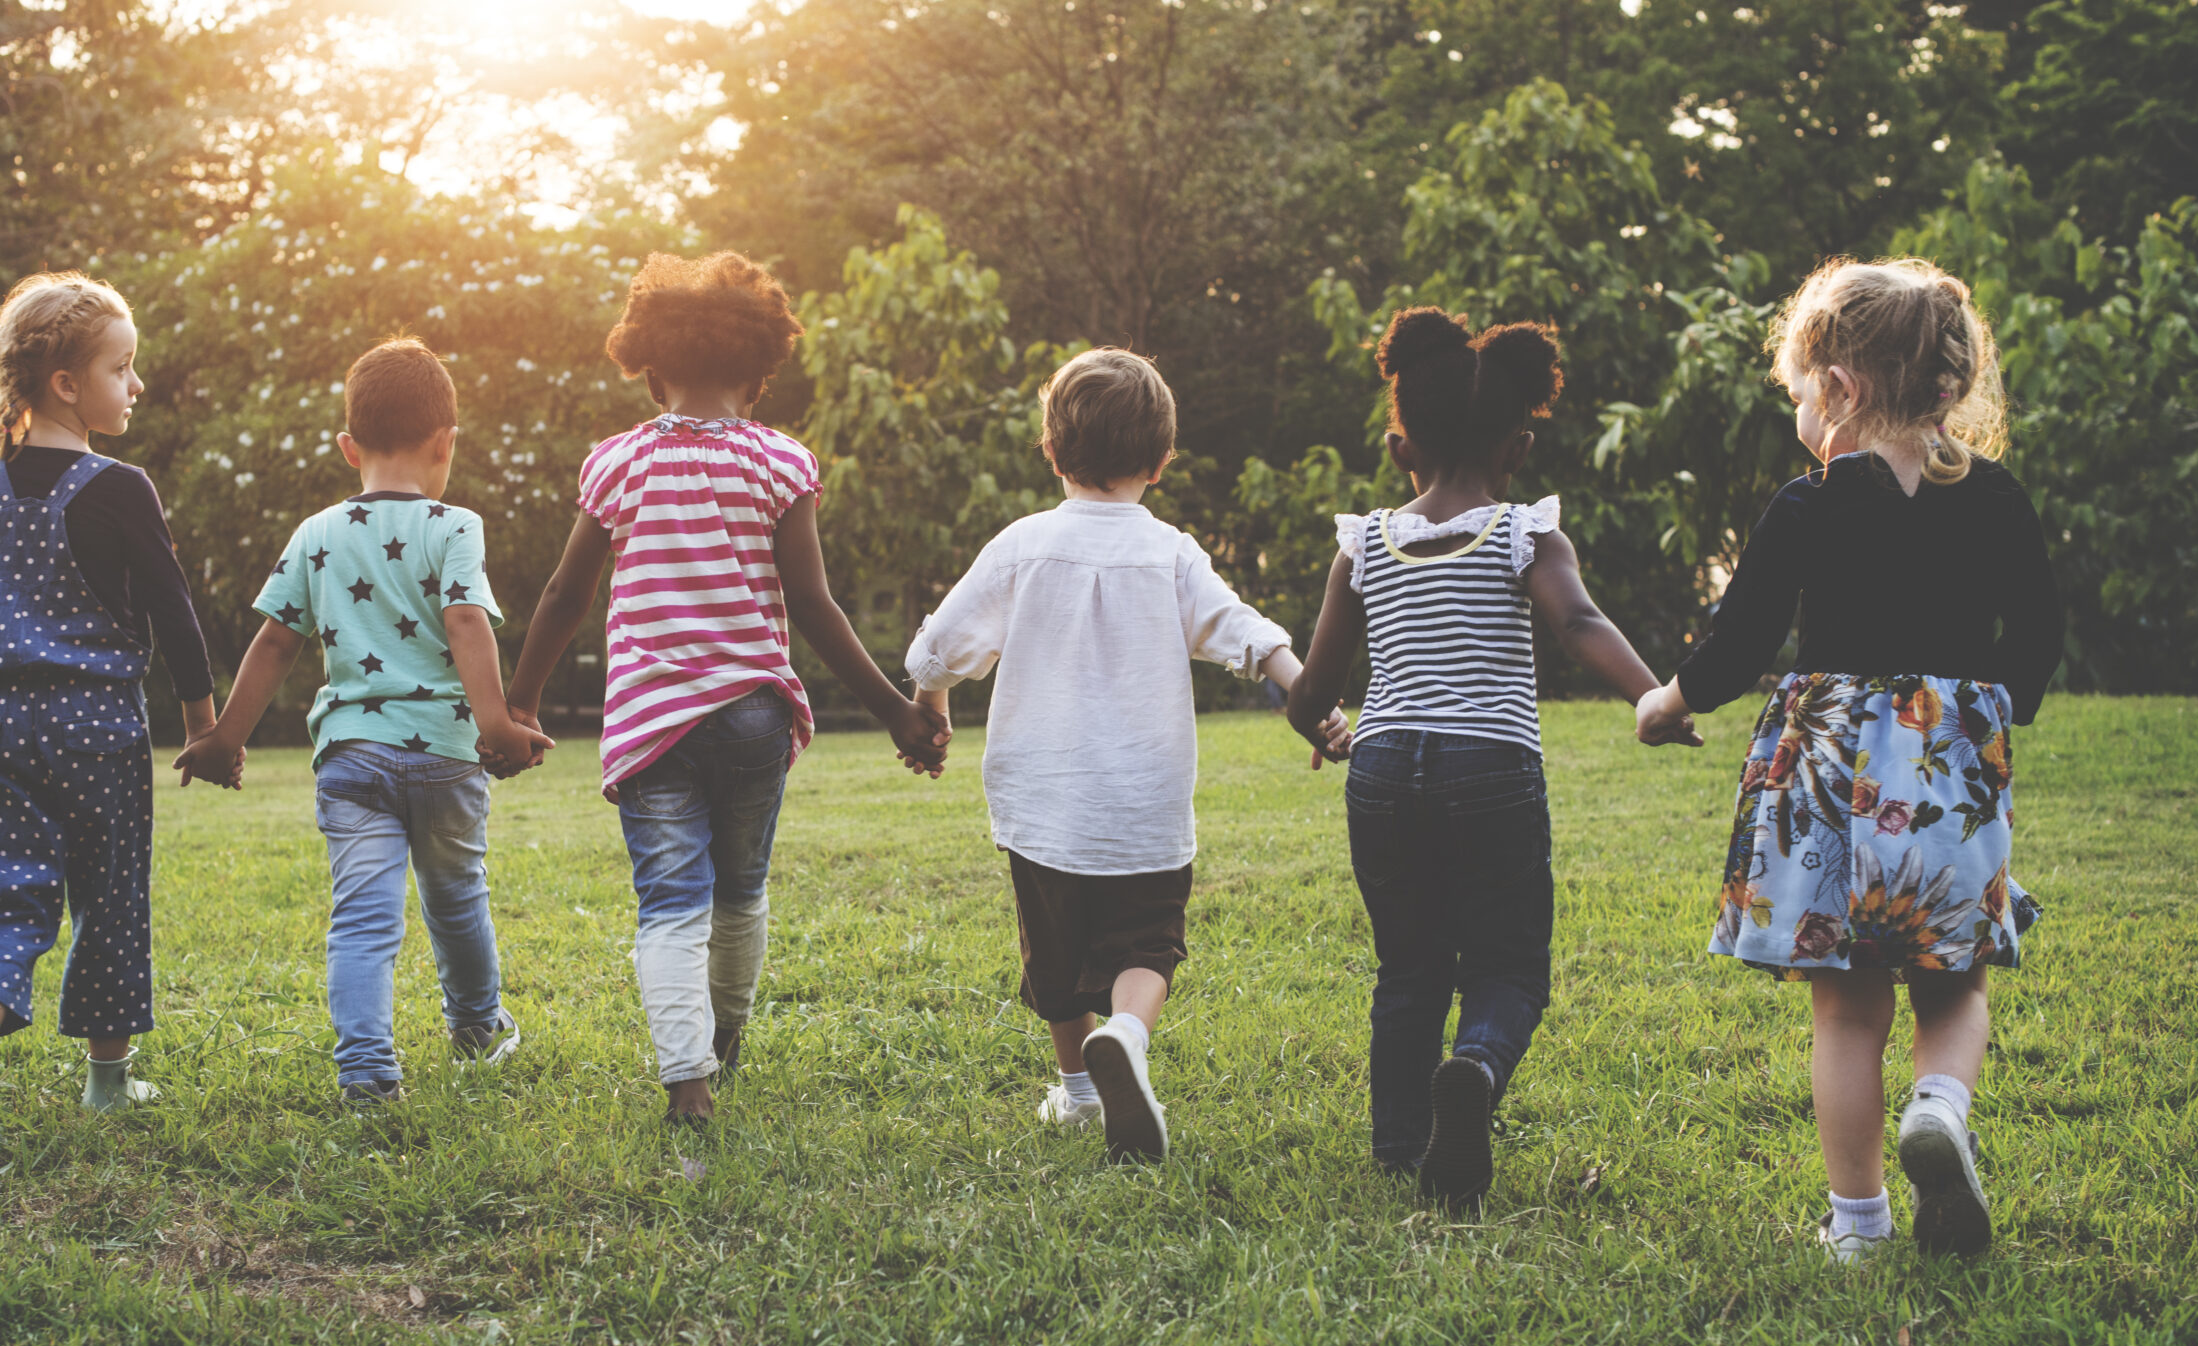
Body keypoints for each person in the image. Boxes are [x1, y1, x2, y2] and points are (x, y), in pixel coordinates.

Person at [1633, 258, 2060, 1263]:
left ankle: (1857, 1226)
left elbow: (1740, 644)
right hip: (1951, 775)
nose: (1799, 409)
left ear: (1845, 390)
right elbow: (2038, 631)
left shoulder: (1809, 502)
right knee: (1952, 986)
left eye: (1800, 391)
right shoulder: (1996, 498)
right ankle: (1942, 1107)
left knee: (1847, 1011)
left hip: (1831, 780)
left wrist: (1666, 700)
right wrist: (1992, 714)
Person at [485, 252, 949, 1126]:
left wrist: (521, 703)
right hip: (751, 717)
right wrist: (894, 708)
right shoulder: (782, 461)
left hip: (652, 723)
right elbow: (812, 603)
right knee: (741, 889)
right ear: (760, 371)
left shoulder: (616, 463)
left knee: (669, 901)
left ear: (650, 368)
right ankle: (725, 1039)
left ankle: (686, 1083)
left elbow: (564, 594)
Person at [1284, 309, 1694, 1203]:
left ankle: (1400, 1144)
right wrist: (1652, 698)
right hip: (1491, 768)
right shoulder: (1523, 533)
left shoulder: (1363, 547)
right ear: (1519, 446)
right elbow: (1579, 619)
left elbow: (1311, 691)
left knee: (1408, 966)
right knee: (1507, 965)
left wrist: (1324, 728)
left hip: (1385, 769)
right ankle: (1474, 1065)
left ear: (1400, 450)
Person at [905, 347, 1350, 1165]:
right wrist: (1307, 697)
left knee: (1055, 955)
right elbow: (1244, 631)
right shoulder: (1172, 551)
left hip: (1043, 803)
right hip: (1143, 801)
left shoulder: (1022, 545)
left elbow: (937, 650)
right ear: (1162, 458)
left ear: (1051, 449)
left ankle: (1078, 1091)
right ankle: (1130, 1035)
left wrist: (933, 716)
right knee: (1149, 943)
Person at [176, 338, 552, 1103]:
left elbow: (275, 641)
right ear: (446, 442)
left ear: (349, 446)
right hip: (446, 756)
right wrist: (498, 726)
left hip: (352, 761)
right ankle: (478, 1028)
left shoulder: (317, 533)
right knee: (457, 900)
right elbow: (466, 623)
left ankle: (368, 1074)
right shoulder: (455, 526)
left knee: (363, 919)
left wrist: (224, 738)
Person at [0, 271, 224, 1154]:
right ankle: (107, 1080)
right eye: (122, 368)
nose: (136, 386)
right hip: (96, 728)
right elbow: (174, 612)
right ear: (67, 384)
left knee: (2, 895)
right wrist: (203, 726)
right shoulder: (121, 485)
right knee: (109, 898)